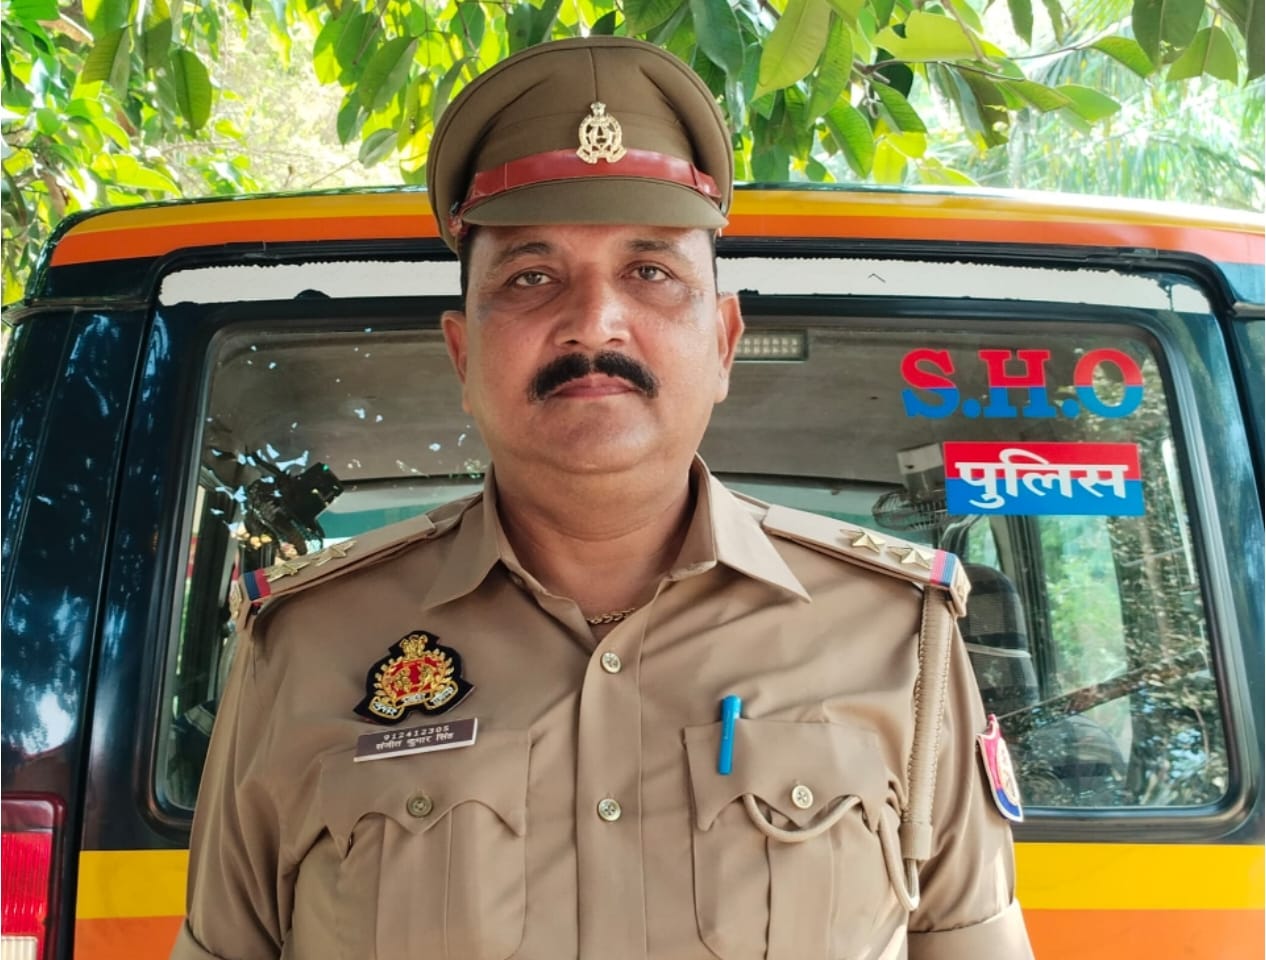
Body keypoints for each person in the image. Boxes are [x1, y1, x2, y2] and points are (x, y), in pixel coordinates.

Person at [172, 35, 1034, 960]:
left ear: (724, 342)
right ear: (463, 355)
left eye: (650, 272)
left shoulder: (900, 636)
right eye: (531, 277)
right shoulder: (305, 645)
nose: (593, 322)